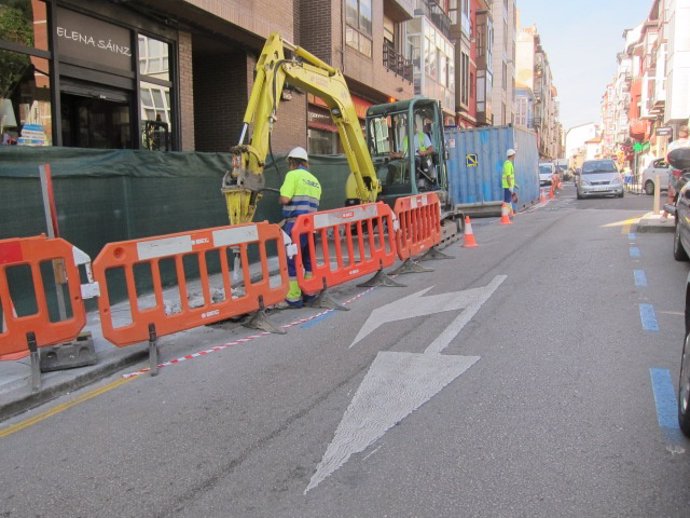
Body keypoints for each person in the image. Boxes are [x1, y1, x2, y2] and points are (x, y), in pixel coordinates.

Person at [279, 146, 322, 308]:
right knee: (308, 260)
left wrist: (281, 199)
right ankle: (310, 293)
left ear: (292, 162)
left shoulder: (292, 175)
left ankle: (294, 298)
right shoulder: (315, 181)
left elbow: (285, 199)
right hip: (310, 227)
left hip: (294, 227)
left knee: (292, 261)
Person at [502, 149, 516, 213]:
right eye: (514, 155)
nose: (514, 156)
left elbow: (510, 177)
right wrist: (510, 186)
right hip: (508, 186)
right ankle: (506, 214)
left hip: (508, 185)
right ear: (512, 155)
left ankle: (509, 213)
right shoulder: (508, 164)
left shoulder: (508, 163)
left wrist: (514, 184)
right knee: (507, 201)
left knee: (508, 200)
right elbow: (508, 176)